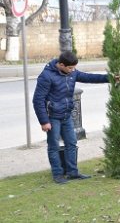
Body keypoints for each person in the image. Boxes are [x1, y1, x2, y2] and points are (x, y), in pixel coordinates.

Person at [33, 51, 112, 184]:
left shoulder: (72, 72)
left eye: (74, 67)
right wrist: (44, 121)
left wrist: (109, 78)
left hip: (66, 115)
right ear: (61, 64)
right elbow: (37, 100)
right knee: (54, 146)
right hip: (52, 117)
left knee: (71, 143)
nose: (73, 70)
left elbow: (89, 77)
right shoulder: (46, 76)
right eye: (70, 68)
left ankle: (72, 172)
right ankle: (57, 175)